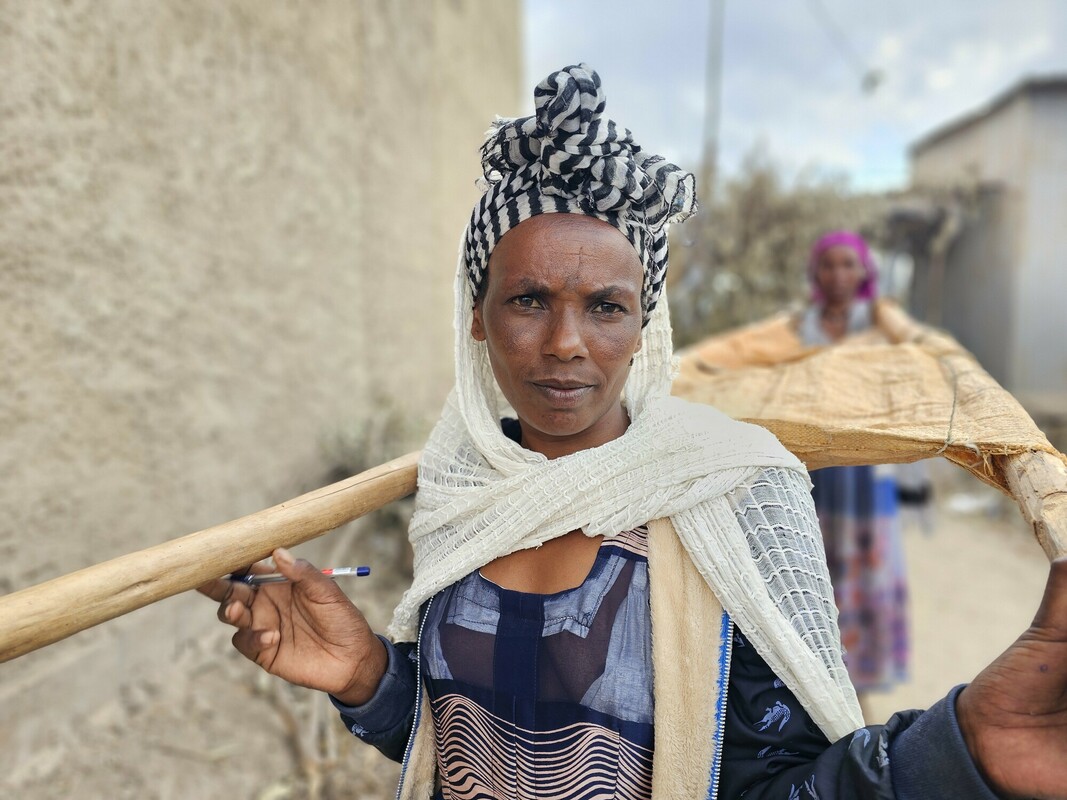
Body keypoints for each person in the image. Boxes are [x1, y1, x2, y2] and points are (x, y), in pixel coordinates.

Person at [200, 65, 1067, 800]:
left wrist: (962, 746)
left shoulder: (729, 490)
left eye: (605, 307)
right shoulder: (463, 487)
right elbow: (463, 751)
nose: (565, 343)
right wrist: (368, 679)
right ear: (478, 319)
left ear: (643, 328)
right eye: (528, 299)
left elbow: (789, 783)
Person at [798, 232, 911, 711]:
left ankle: (858, 707)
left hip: (866, 480)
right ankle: (818, 697)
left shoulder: (881, 324)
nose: (839, 274)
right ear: (816, 272)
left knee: (862, 583)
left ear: (865, 271)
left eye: (849, 264)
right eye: (829, 264)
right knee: (813, 579)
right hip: (815, 476)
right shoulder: (802, 327)